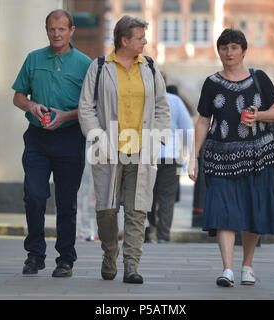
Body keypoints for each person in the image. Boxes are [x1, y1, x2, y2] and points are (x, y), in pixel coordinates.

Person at [78, 15, 170, 284]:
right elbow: (86, 106)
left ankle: (131, 264)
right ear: (124, 40)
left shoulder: (150, 68)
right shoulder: (99, 67)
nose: (145, 41)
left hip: (142, 149)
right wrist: (97, 137)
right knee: (106, 210)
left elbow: (162, 107)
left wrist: (157, 138)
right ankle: (110, 253)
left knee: (137, 209)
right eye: (140, 37)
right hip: (107, 149)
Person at [188, 29, 274, 287]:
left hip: (257, 155)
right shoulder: (211, 83)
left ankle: (247, 266)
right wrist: (193, 157)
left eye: (233, 47)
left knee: (253, 211)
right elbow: (203, 121)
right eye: (224, 47)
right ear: (219, 51)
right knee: (223, 210)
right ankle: (227, 269)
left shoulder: (259, 78)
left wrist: (258, 116)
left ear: (243, 51)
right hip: (220, 156)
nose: (228, 53)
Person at [12, 9, 92, 277]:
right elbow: (18, 97)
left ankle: (65, 259)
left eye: (61, 29)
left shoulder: (85, 63)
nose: (56, 34)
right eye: (51, 29)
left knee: (66, 201)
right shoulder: (33, 59)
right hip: (37, 137)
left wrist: (66, 116)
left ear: (71, 31)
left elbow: (92, 107)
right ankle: (35, 254)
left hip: (70, 137)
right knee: (34, 196)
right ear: (46, 30)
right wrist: (32, 105)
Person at [146, 78, 193, 243]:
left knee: (145, 195)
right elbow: (187, 128)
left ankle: (147, 231)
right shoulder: (174, 100)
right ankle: (163, 235)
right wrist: (193, 154)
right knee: (167, 196)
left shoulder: (141, 99)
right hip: (170, 155)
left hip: (146, 154)